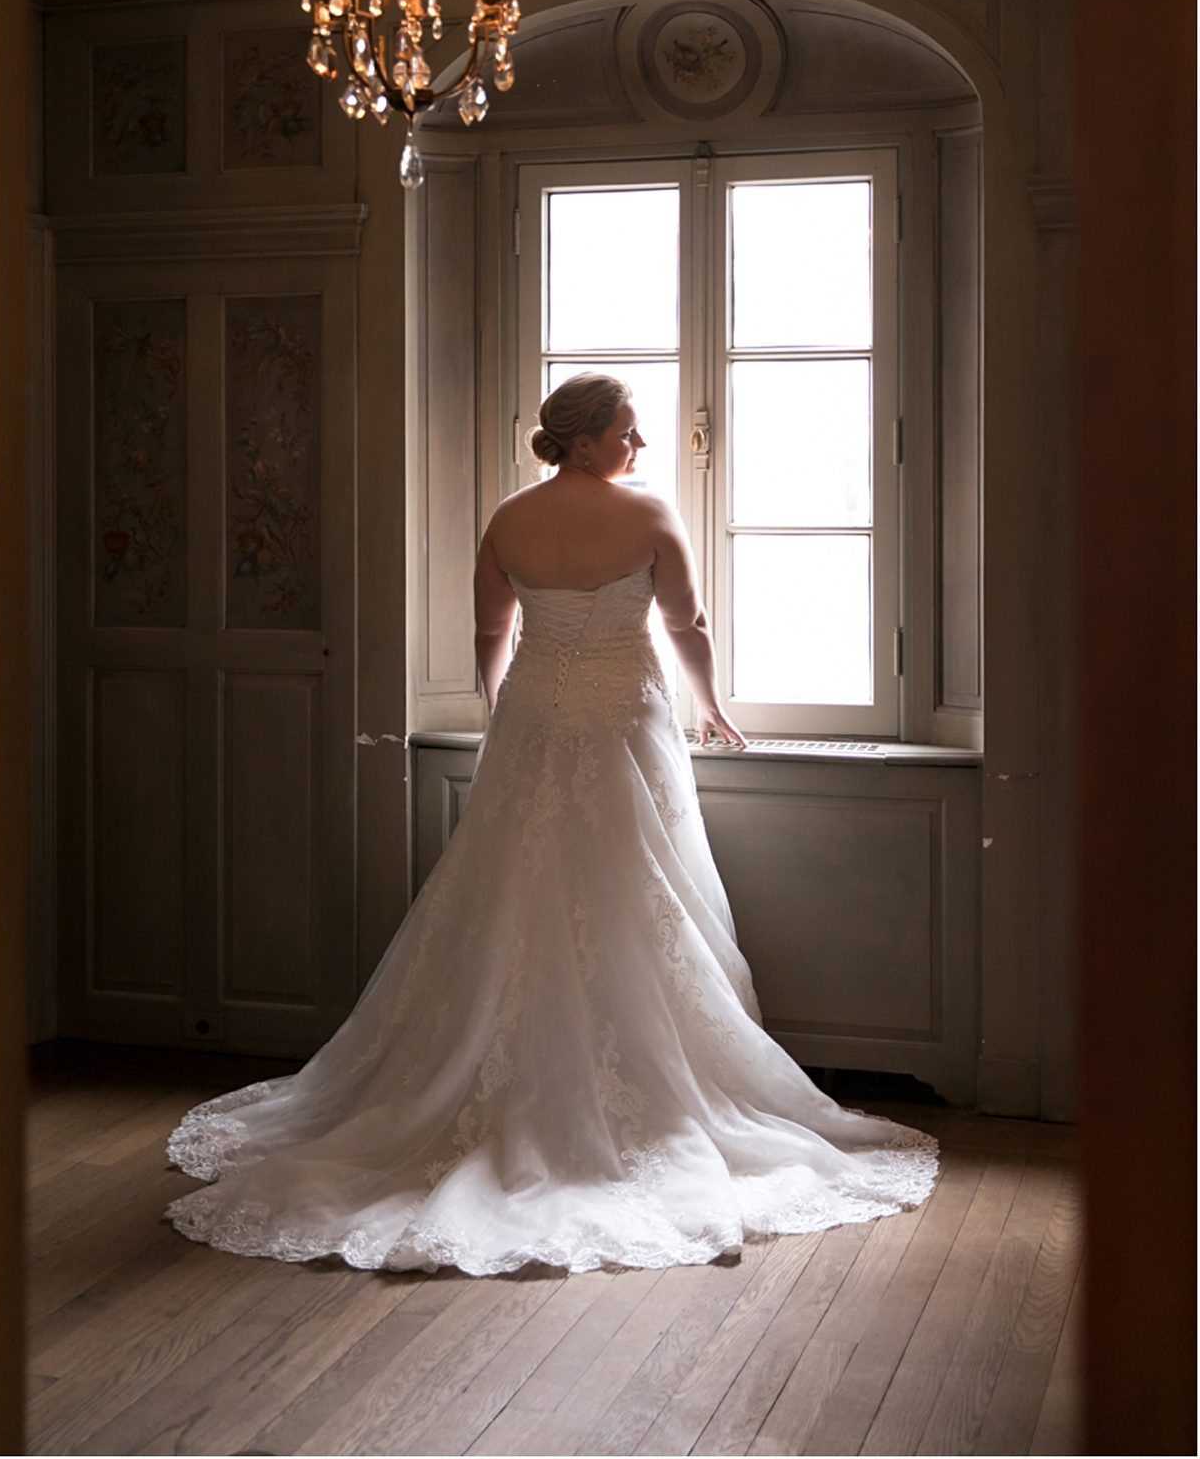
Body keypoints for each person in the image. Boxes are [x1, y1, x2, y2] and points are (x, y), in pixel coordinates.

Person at [163, 373, 938, 1274]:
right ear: (582, 440)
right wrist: (711, 704)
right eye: (628, 432)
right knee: (631, 882)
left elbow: (491, 628)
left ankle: (495, 1081)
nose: (640, 448)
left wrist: (504, 706)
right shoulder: (646, 517)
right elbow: (683, 620)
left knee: (515, 882)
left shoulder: (509, 518)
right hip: (620, 715)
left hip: (534, 713)